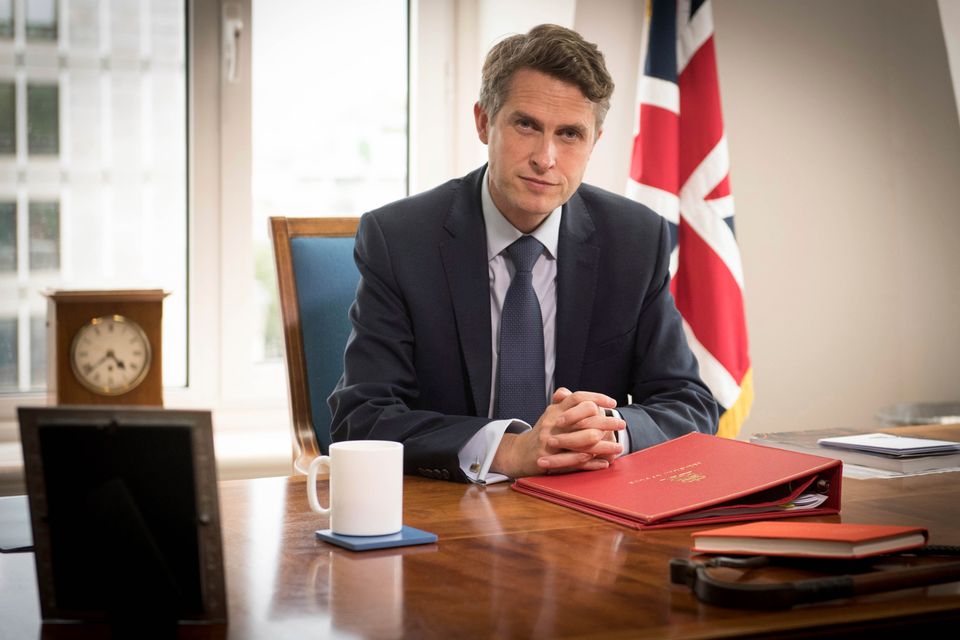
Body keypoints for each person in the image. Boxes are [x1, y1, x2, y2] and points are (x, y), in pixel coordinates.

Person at [329, 24, 718, 483]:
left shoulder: (634, 239)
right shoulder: (399, 238)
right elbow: (363, 418)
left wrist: (608, 433)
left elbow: (690, 404)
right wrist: (509, 450)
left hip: (588, 513)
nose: (546, 157)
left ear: (594, 141)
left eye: (570, 133)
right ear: (483, 121)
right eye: (526, 124)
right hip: (448, 511)